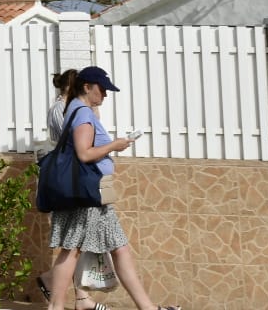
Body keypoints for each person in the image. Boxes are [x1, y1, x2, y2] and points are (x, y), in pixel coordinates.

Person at [42, 66, 180, 310]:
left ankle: (148, 308)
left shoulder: (77, 108)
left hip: (95, 193)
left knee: (119, 247)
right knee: (72, 249)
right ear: (87, 87)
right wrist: (115, 145)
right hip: (88, 193)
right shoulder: (83, 112)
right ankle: (56, 306)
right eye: (102, 89)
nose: (105, 95)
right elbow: (84, 153)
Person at [36, 69, 104, 310]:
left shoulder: (76, 108)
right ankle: (71, 298)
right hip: (66, 182)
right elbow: (76, 143)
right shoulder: (61, 109)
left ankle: (77, 296)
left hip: (74, 180)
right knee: (72, 243)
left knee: (76, 243)